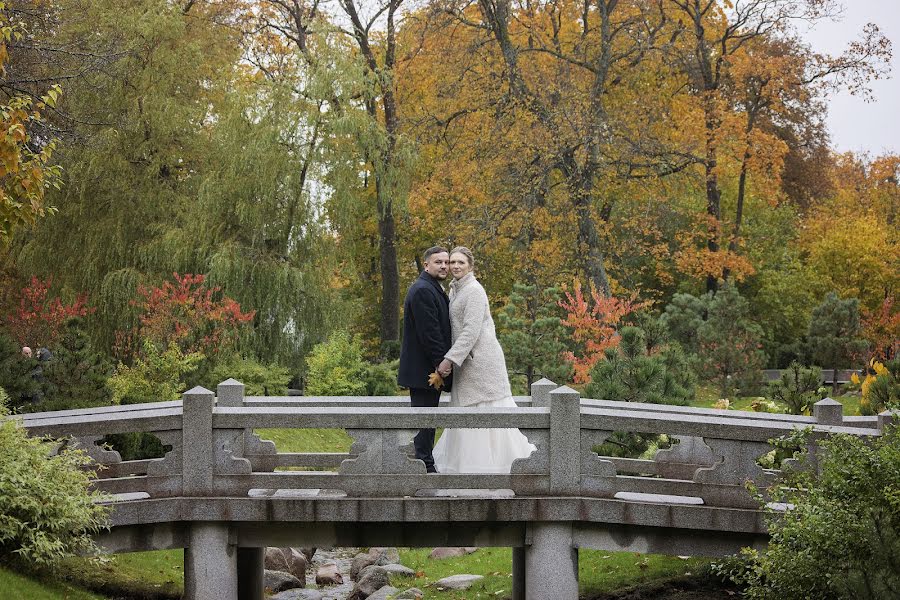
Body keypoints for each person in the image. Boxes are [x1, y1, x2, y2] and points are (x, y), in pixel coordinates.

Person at [433, 247, 535, 473]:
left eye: (461, 262)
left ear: (470, 266)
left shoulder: (474, 291)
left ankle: (492, 470)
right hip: (466, 364)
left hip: (481, 364)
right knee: (465, 413)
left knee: (486, 411)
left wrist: (449, 360)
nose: (455, 266)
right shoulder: (455, 291)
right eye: (452, 263)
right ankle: (465, 469)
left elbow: (471, 331)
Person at [397, 246, 453, 473]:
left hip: (428, 368)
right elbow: (429, 332)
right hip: (424, 369)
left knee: (428, 420)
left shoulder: (432, 288)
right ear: (426, 264)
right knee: (424, 419)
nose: (444, 266)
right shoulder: (422, 290)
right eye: (438, 262)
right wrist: (441, 362)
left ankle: (425, 463)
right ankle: (423, 467)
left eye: (446, 262)